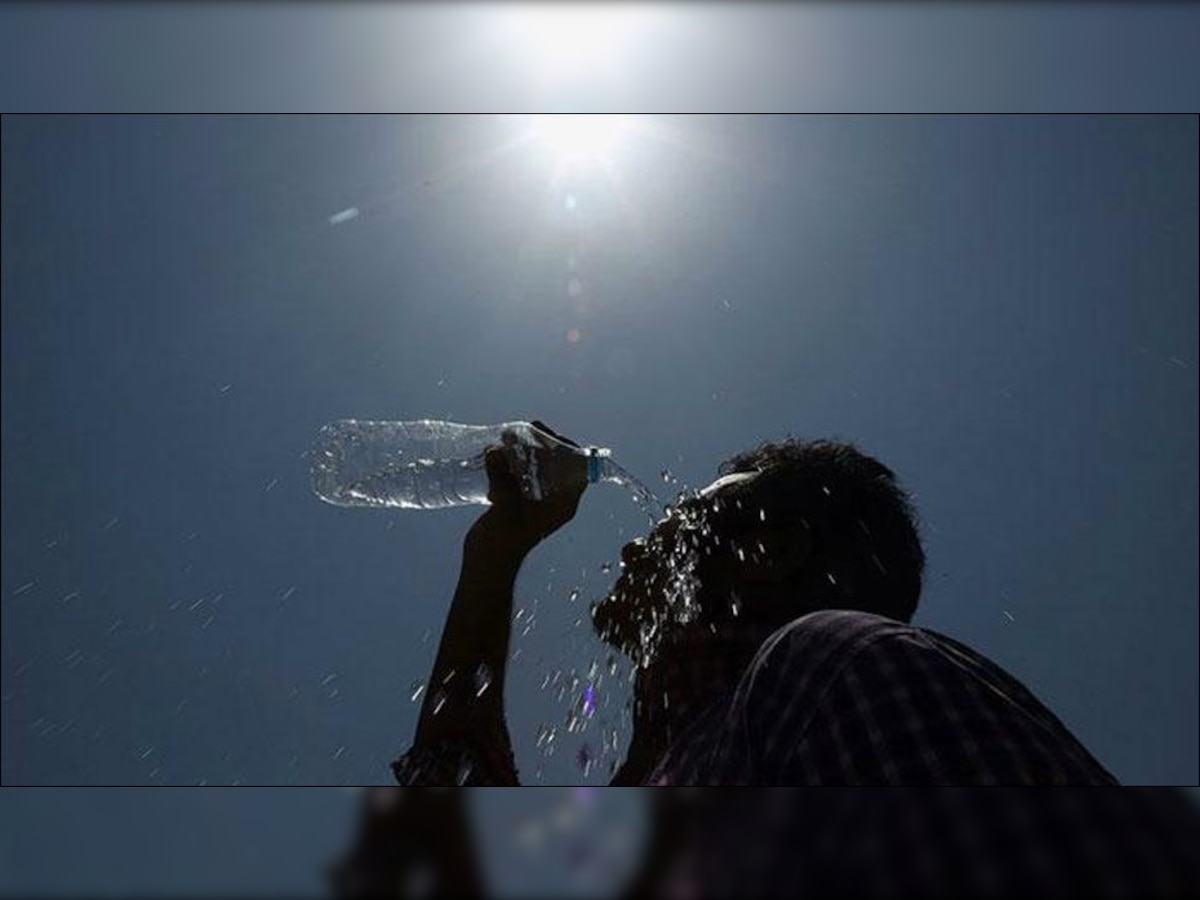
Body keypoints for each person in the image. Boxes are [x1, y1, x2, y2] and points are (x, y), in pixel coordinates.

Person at [332, 423, 1200, 897]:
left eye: (685, 519)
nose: (644, 543)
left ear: (772, 551)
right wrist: (495, 554)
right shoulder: (657, 786)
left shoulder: (831, 671)